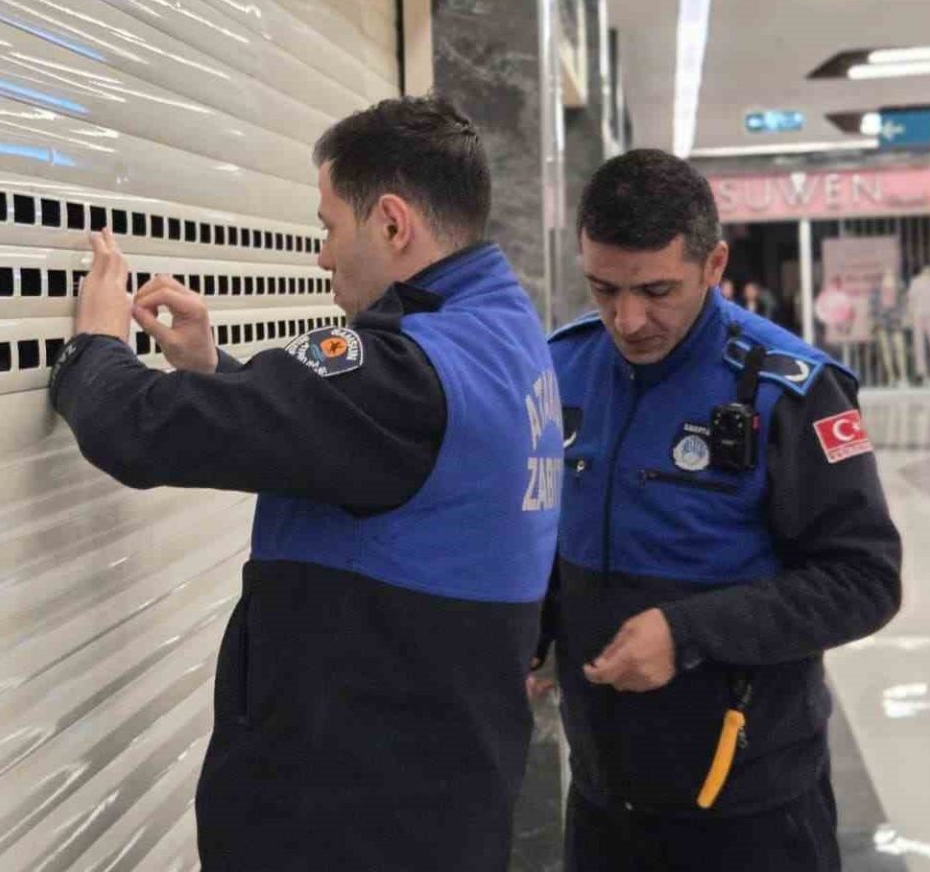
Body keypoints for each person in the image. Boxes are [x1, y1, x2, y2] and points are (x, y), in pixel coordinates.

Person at [49, 95, 562, 871]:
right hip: (437, 805)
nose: (322, 257)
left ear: (391, 223)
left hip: (355, 826)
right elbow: (361, 449)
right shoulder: (504, 337)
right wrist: (215, 372)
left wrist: (94, 347)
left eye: (329, 227)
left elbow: (140, 433)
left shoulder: (409, 373)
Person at [541, 150, 903, 872]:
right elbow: (543, 531)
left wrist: (689, 633)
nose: (628, 320)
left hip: (752, 804)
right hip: (602, 794)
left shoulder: (791, 390)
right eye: (604, 288)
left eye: (656, 290)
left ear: (714, 265)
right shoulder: (561, 368)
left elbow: (866, 580)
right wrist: (534, 627)